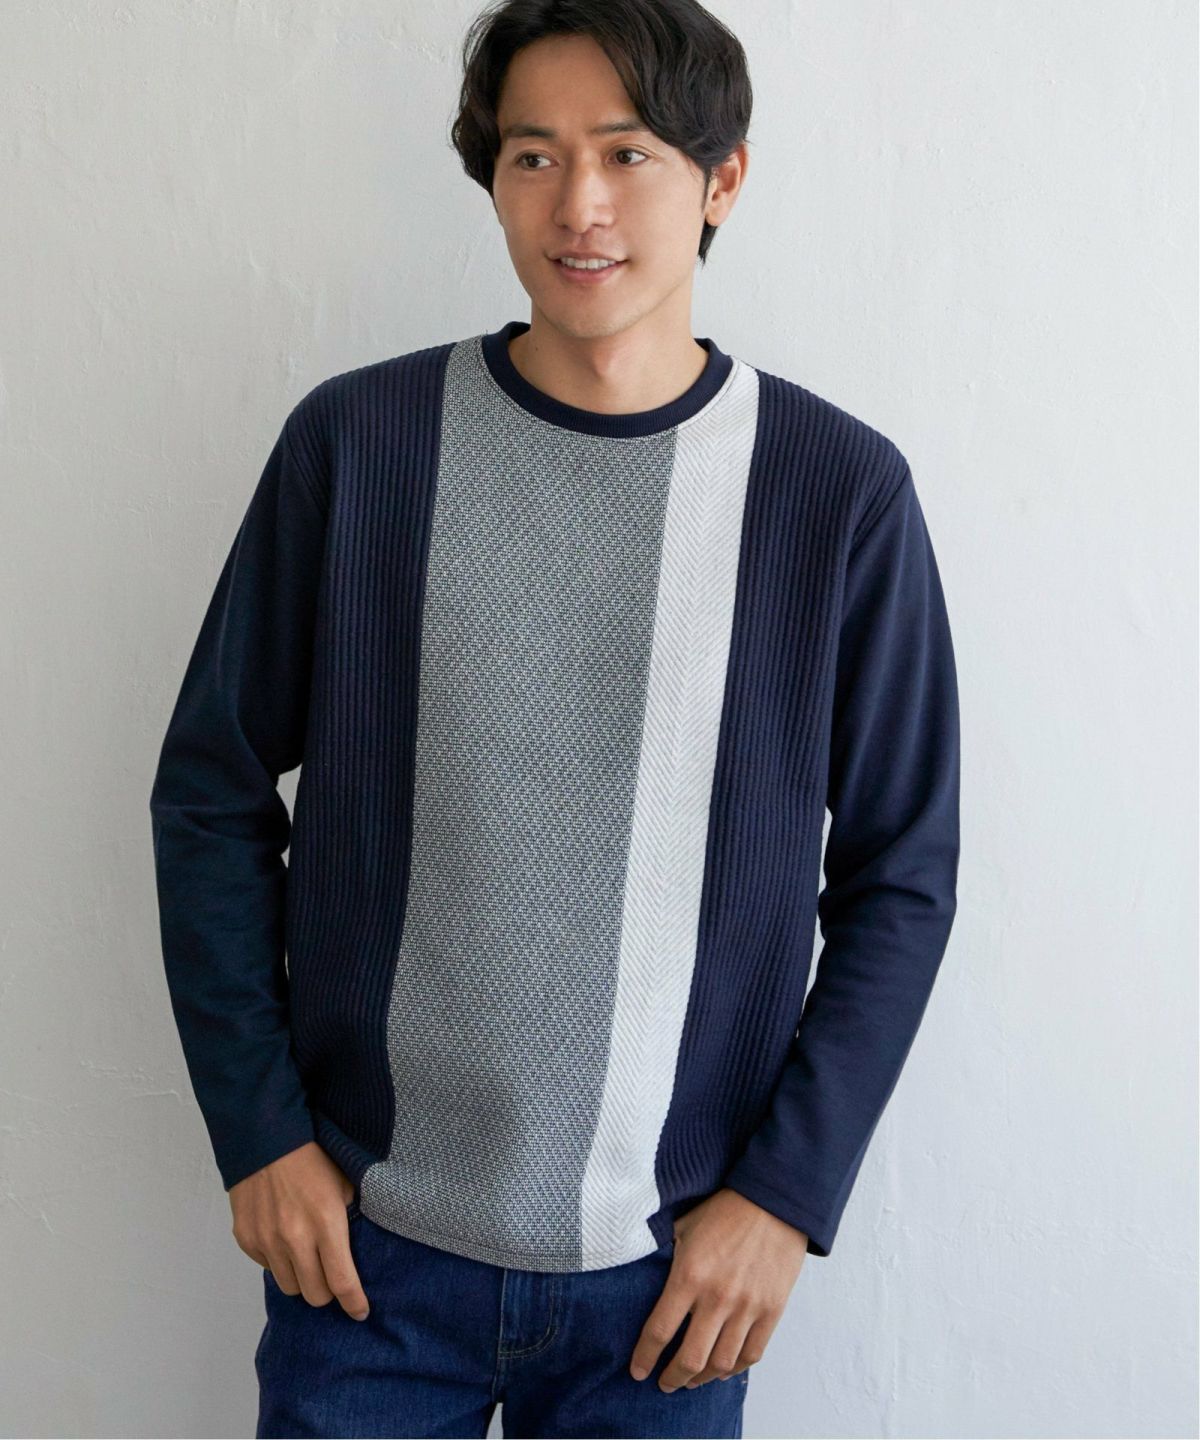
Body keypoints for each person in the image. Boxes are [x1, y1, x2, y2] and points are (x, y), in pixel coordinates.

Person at [148, 1, 960, 1435]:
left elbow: (903, 873)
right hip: (366, 1262)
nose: (578, 205)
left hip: (668, 1282)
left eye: (627, 153)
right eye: (534, 156)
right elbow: (209, 789)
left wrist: (785, 1196)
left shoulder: (834, 493)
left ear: (721, 180)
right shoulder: (360, 444)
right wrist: (258, 1133)